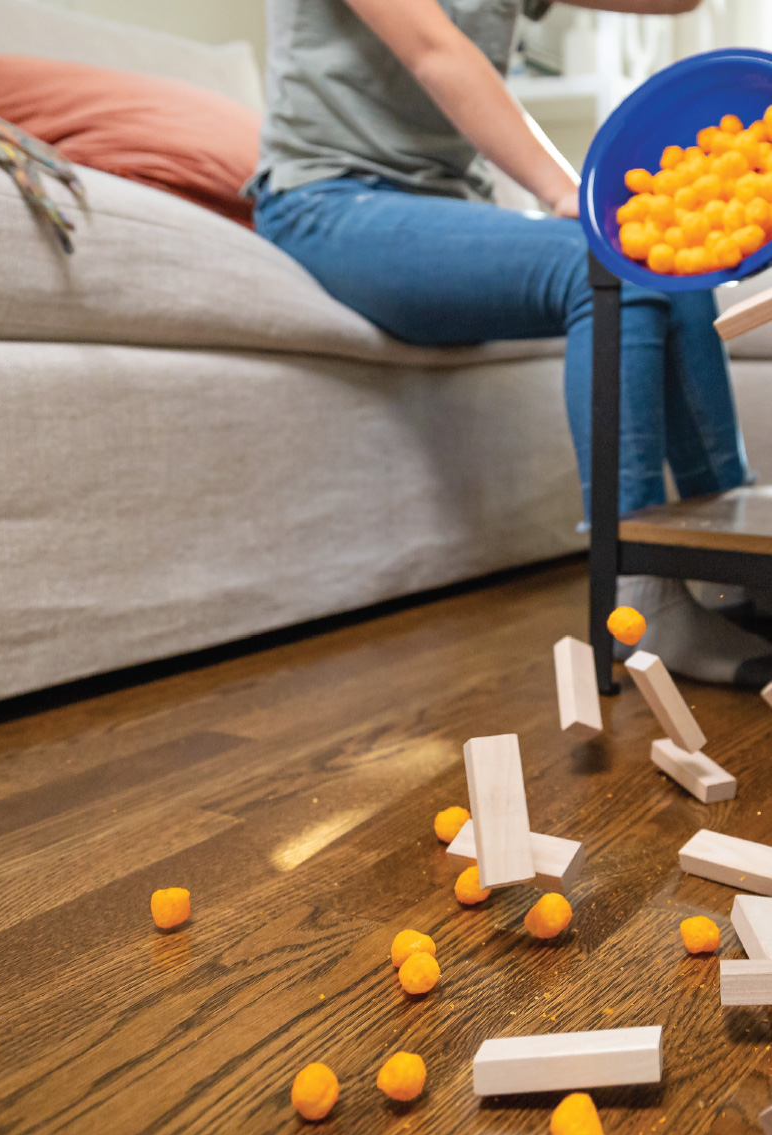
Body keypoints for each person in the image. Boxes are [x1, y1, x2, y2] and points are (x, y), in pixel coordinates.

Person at [247, 0, 772, 687]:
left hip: (444, 209)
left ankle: (739, 573)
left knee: (670, 265)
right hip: (327, 205)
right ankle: (640, 598)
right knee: (609, 270)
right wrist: (568, 194)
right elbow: (433, 49)